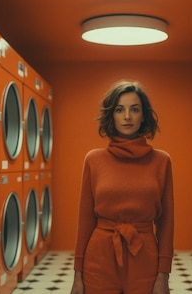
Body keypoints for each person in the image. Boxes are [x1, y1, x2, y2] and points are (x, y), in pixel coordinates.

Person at [70, 80, 174, 294]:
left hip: (145, 258)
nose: (127, 116)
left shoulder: (162, 161)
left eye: (134, 109)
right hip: (99, 258)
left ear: (143, 115)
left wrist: (163, 275)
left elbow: (166, 223)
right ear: (111, 115)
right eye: (120, 109)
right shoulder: (93, 159)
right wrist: (77, 275)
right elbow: (85, 220)